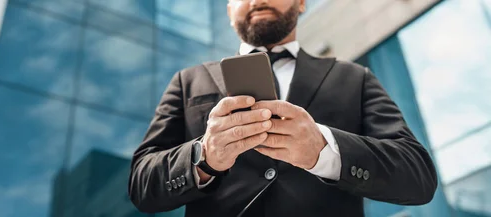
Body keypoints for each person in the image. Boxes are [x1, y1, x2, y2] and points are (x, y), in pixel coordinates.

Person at [128, 0, 438, 216]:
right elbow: (142, 185)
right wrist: (204, 157)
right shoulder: (187, 81)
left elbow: (418, 176)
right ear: (228, 10)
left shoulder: (354, 77)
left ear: (301, 2)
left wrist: (323, 151)